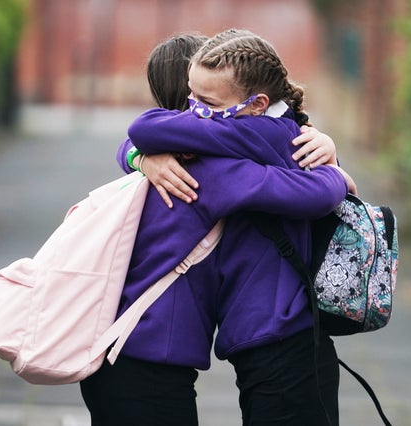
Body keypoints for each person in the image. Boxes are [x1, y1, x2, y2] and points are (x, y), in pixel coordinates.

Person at [79, 32, 351, 426]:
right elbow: (311, 189)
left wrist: (137, 156)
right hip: (154, 359)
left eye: (205, 102)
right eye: (191, 101)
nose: (196, 111)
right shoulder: (217, 161)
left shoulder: (206, 159)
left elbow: (142, 131)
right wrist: (337, 173)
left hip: (138, 354)